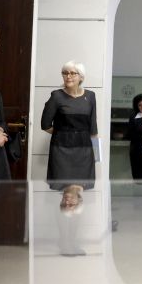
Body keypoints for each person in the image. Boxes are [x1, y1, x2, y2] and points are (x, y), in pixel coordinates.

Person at [41, 61, 97, 190]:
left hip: (84, 151)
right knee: (62, 189)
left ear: (81, 77)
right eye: (65, 73)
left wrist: (97, 157)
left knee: (80, 189)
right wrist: (63, 134)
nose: (68, 76)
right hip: (61, 151)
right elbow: (45, 125)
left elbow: (93, 129)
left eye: (72, 73)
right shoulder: (56, 96)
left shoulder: (90, 96)